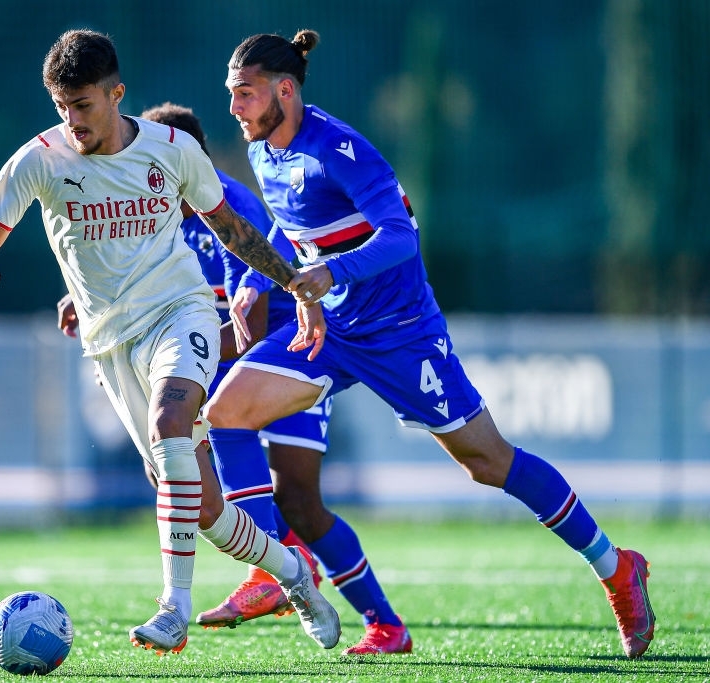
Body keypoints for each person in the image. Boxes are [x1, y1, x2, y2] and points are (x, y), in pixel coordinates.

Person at [203, 29, 655, 659]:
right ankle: (269, 567)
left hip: (400, 334)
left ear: (285, 89)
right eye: (231, 95)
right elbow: (289, 222)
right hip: (330, 330)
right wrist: (256, 278)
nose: (235, 109)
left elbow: (400, 237)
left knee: (488, 463)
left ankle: (616, 568)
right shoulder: (262, 149)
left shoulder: (341, 149)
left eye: (244, 94)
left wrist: (332, 271)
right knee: (225, 412)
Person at [0, 29, 340, 656]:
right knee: (206, 510)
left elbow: (233, 230)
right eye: (62, 107)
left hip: (179, 313)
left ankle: (172, 611)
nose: (73, 120)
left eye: (84, 104)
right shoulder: (40, 159)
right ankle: (293, 574)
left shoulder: (171, 149)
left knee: (170, 420)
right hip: (109, 344)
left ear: (116, 93)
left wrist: (292, 282)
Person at [59, 102, 410, 655]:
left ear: (187, 157)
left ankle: (374, 619)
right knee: (191, 489)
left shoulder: (230, 207)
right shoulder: (150, 209)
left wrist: (185, 364)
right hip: (223, 377)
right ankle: (283, 575)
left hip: (286, 356)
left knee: (298, 500)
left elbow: (247, 327)